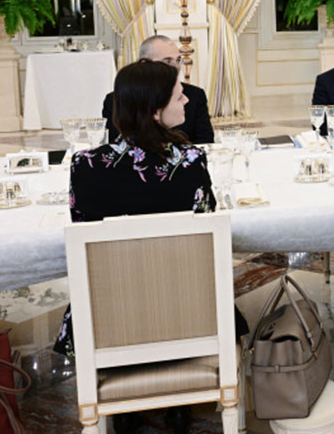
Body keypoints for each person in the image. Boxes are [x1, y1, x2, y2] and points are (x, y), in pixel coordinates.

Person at [56, 60, 232, 434]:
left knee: (113, 285)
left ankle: (123, 398)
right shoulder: (190, 161)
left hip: (110, 315)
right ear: (154, 110)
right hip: (186, 310)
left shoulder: (86, 165)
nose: (187, 101)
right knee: (184, 279)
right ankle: (180, 402)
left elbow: (85, 233)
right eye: (178, 95)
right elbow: (205, 227)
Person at [101, 35, 214, 143]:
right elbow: (114, 143)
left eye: (178, 60)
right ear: (145, 63)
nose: (176, 66)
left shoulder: (195, 95)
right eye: (168, 61)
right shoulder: (115, 99)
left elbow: (205, 141)